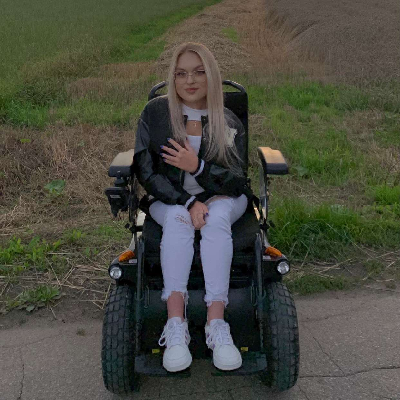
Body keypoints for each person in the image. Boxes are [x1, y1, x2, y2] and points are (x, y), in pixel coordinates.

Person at [134, 42, 253, 373]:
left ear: (211, 76)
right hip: (170, 198)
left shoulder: (227, 120)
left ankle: (216, 324)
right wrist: (187, 201)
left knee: (215, 219)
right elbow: (146, 171)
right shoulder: (156, 114)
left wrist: (197, 167)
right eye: (181, 73)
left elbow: (237, 180)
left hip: (222, 196)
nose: (190, 80)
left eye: (199, 72)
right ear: (172, 78)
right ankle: (176, 325)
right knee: (178, 220)